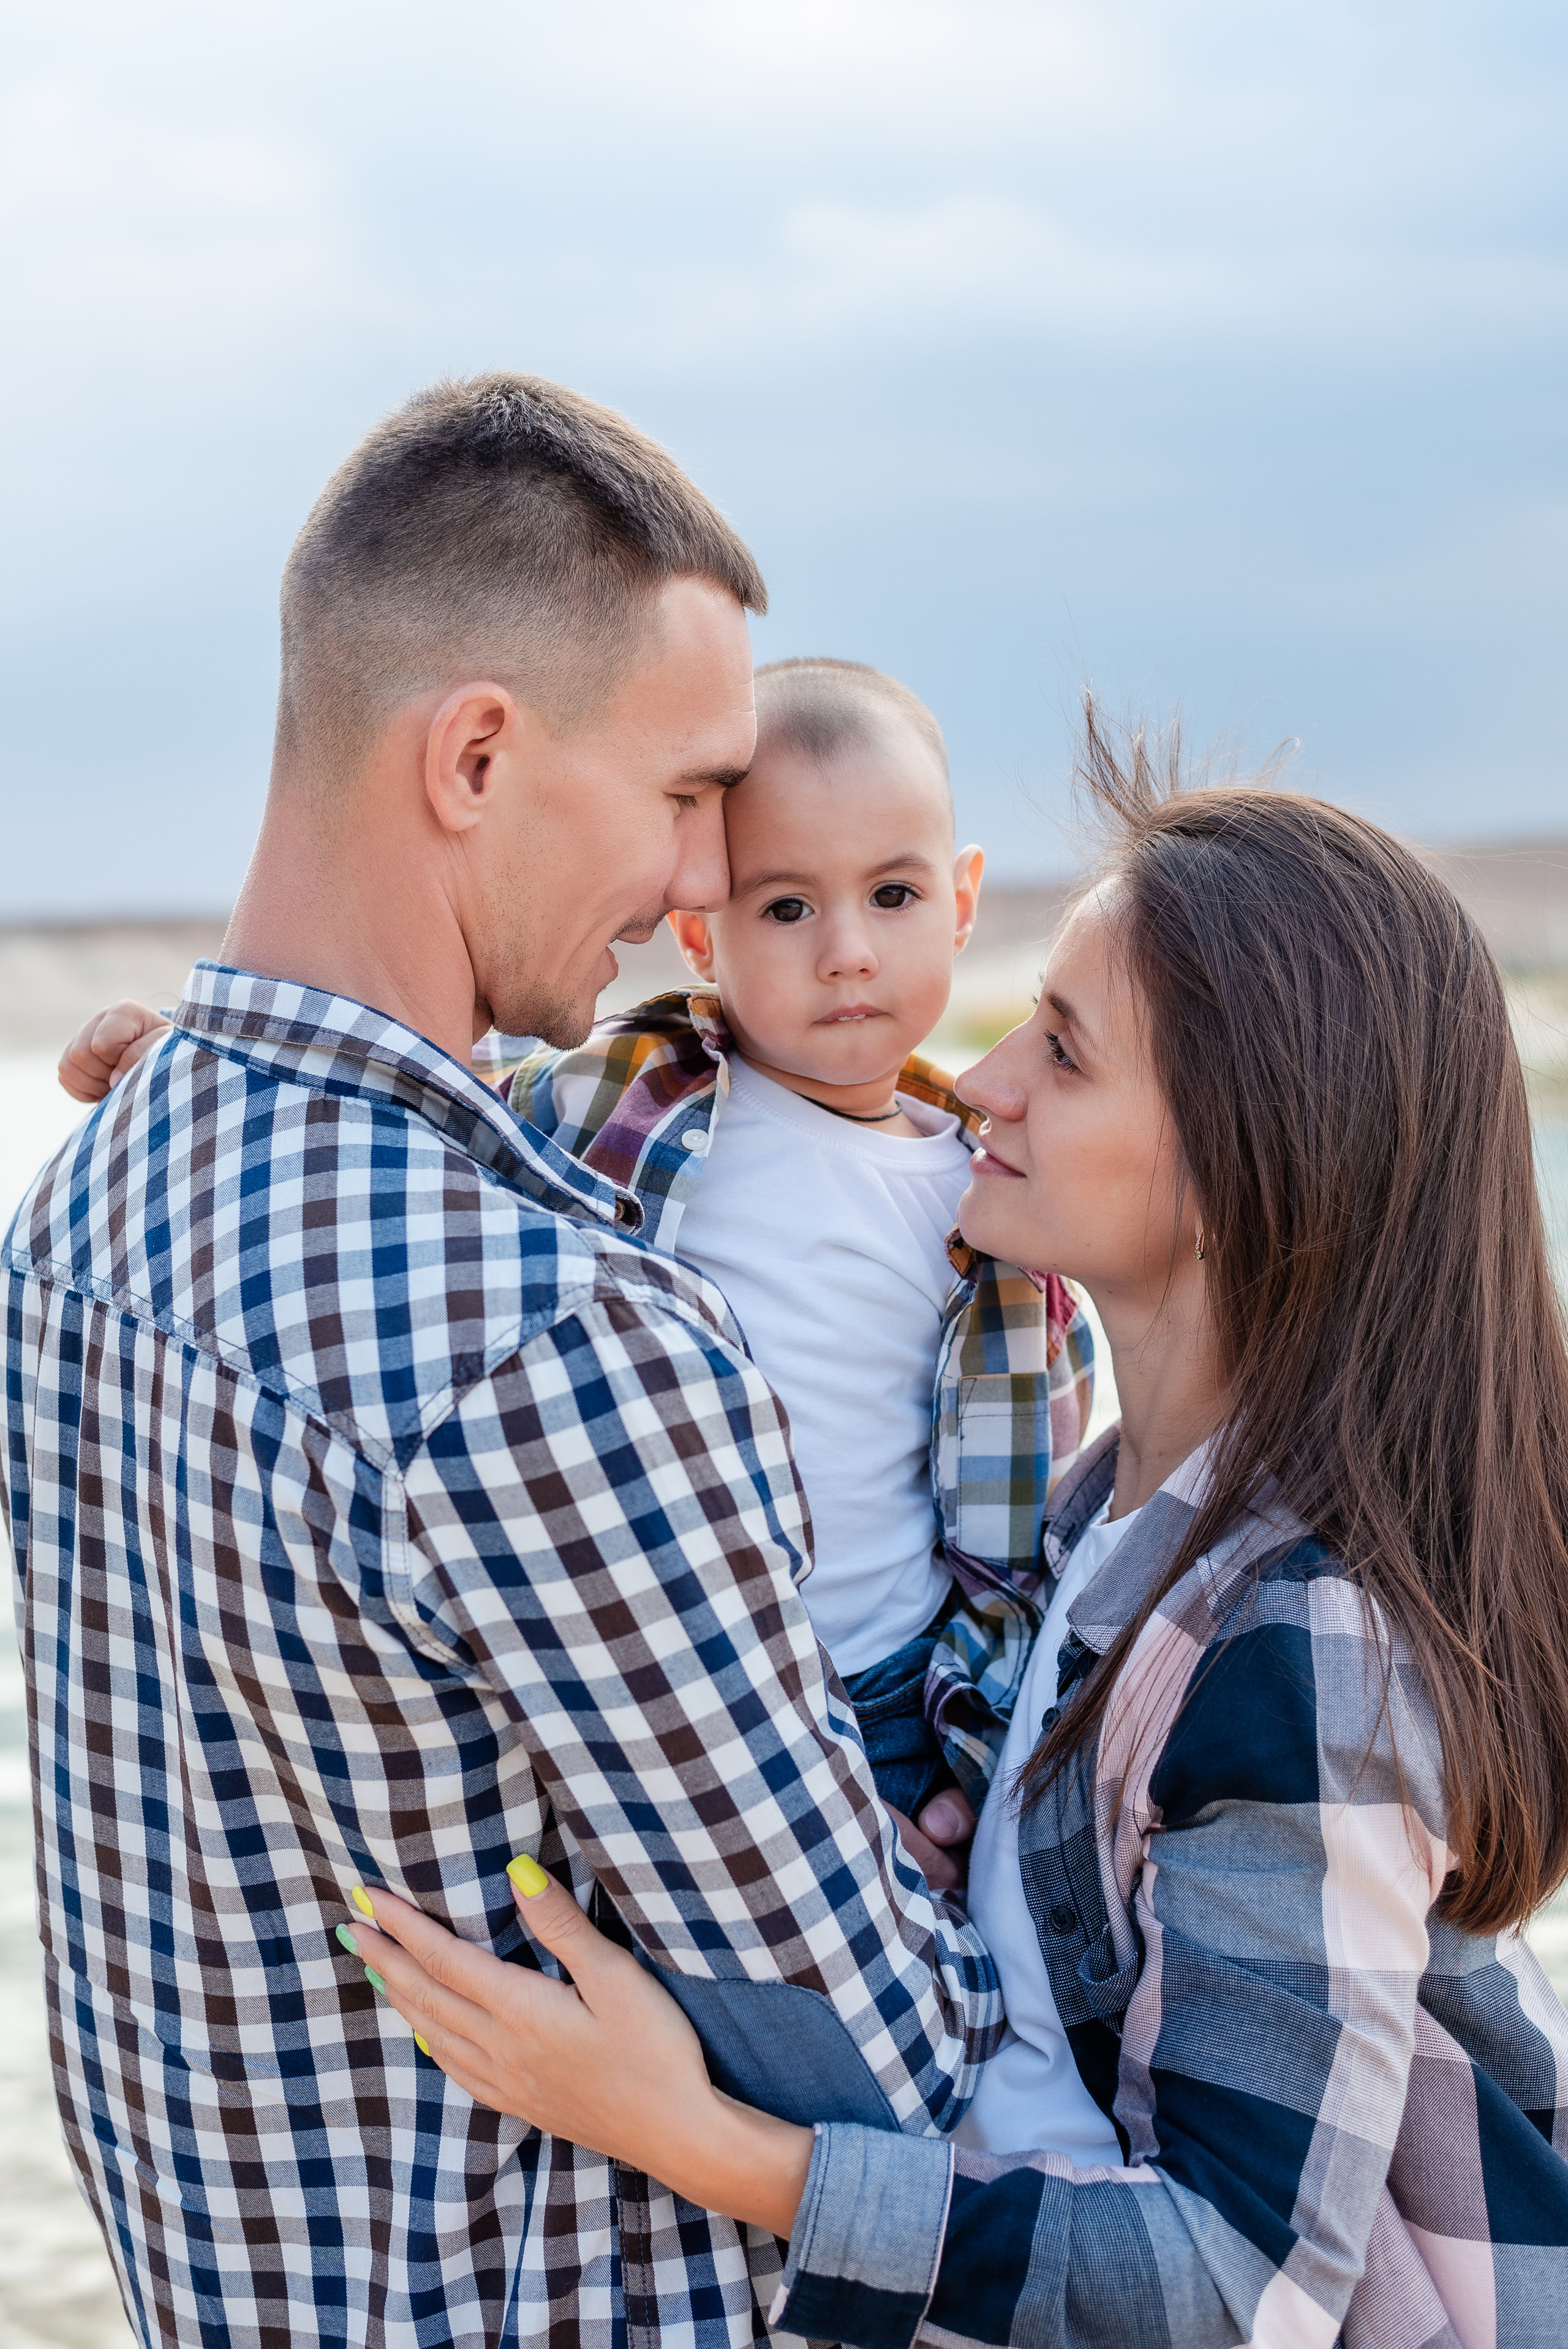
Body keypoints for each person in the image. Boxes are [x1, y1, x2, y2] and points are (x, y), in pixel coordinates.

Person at [349, 717, 1568, 2347]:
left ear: (1245, 1154)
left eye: (1061, 1051)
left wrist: (692, 2137)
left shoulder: (1301, 1638)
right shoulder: (1079, 1524)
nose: (979, 1080)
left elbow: (1240, 2291)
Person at [3, 374, 1004, 2349]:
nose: (702, 879)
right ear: (475, 757)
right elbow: (896, 2069)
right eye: (686, 792)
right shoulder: (556, 1341)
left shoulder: (84, 1202)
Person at [59, 655, 1098, 1822]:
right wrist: (188, 1055)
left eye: (893, 896)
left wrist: (970, 1763)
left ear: (962, 901)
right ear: (700, 934)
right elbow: (390, 1089)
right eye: (786, 907)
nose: (847, 949)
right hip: (662, 1671)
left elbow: (1029, 1512)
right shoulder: (628, 1088)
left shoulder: (993, 1198)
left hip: (897, 1688)